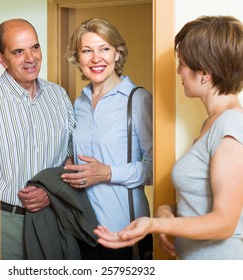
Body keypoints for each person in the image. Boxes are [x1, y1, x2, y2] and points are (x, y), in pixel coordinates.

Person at [94, 15, 243, 260]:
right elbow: (201, 203)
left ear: (204, 73)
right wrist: (165, 210)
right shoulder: (213, 123)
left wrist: (153, 225)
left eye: (182, 63)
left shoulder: (232, 126)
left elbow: (225, 222)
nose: (178, 70)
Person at [0, 18, 75, 260]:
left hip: (55, 217)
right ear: (2, 59)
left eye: (35, 47)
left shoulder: (59, 96)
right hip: (7, 223)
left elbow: (70, 160)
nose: (30, 58)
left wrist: (52, 192)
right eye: (18, 52)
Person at [61, 18, 154, 260]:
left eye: (104, 49)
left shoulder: (138, 100)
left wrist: (108, 172)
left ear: (117, 53)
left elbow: (155, 168)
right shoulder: (78, 103)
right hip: (83, 230)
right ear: (77, 57)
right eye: (87, 51)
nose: (96, 58)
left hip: (124, 232)